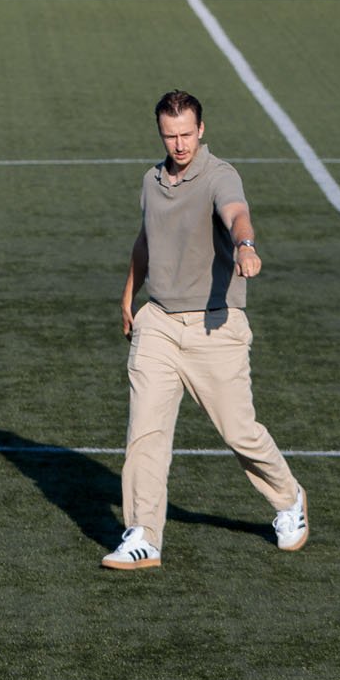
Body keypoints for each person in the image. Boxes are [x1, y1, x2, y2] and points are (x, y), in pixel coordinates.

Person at [103, 88, 307, 571]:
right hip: (159, 324)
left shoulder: (220, 176)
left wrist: (247, 245)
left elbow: (236, 214)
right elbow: (145, 238)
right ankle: (143, 535)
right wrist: (130, 294)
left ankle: (289, 498)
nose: (178, 145)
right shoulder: (152, 181)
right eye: (170, 136)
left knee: (239, 431)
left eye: (186, 135)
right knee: (145, 432)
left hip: (215, 325)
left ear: (201, 130)